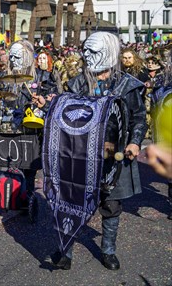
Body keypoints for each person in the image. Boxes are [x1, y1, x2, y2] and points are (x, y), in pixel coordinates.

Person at [54, 32, 147, 271]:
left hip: (114, 156)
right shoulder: (77, 84)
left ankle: (108, 251)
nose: (87, 55)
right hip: (81, 154)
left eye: (93, 51)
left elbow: (138, 118)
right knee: (71, 202)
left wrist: (135, 142)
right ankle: (65, 251)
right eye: (86, 50)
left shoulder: (127, 85)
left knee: (111, 204)